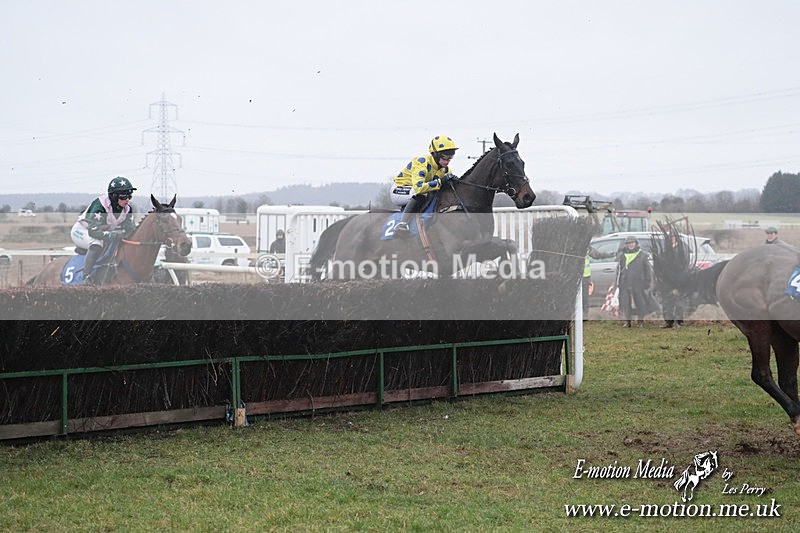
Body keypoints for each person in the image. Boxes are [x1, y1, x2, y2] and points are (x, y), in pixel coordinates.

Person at [70, 177, 137, 284]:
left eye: (129, 196)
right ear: (114, 196)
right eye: (124, 196)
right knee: (96, 243)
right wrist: (116, 234)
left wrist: (121, 234)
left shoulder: (127, 209)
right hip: (82, 231)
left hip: (100, 232)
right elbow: (94, 233)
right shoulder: (100, 204)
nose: (127, 199)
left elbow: (131, 230)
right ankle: (86, 277)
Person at [389, 135, 458, 238]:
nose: (448, 160)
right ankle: (402, 224)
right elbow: (419, 187)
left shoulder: (445, 169)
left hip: (414, 191)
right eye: (445, 156)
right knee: (422, 193)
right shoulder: (421, 162)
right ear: (436, 154)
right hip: (399, 190)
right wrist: (440, 182)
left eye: (451, 156)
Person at [615, 235, 655, 327]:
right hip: (625, 283)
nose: (631, 245)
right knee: (626, 303)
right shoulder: (622, 256)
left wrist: (647, 283)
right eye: (629, 243)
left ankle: (640, 321)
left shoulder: (642, 255)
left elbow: (648, 270)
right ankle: (628, 321)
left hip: (638, 284)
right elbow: (619, 270)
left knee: (640, 303)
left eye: (632, 243)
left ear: (636, 243)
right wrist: (618, 283)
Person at [582, 246, 615, 319]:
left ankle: (584, 316)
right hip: (575, 277)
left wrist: (609, 255)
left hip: (585, 277)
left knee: (584, 298)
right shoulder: (571, 245)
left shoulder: (586, 246)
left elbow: (596, 255)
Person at [660, 234, 686, 328]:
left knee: (678, 301)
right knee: (666, 301)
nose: (672, 239)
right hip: (667, 279)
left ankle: (678, 322)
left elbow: (683, 264)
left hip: (678, 279)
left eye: (673, 237)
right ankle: (668, 321)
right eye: (670, 238)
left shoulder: (681, 250)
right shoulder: (665, 250)